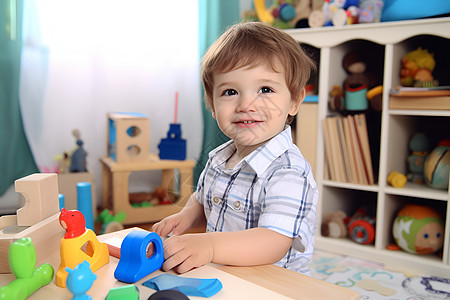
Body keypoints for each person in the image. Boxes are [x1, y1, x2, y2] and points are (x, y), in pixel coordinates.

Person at [153, 21, 318, 276]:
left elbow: (273, 242)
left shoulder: (289, 172)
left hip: (273, 285)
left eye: (265, 89)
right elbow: (204, 198)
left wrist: (208, 246)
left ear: (294, 101)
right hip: (227, 274)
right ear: (212, 103)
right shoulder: (219, 158)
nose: (246, 104)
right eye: (230, 91)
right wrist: (186, 216)